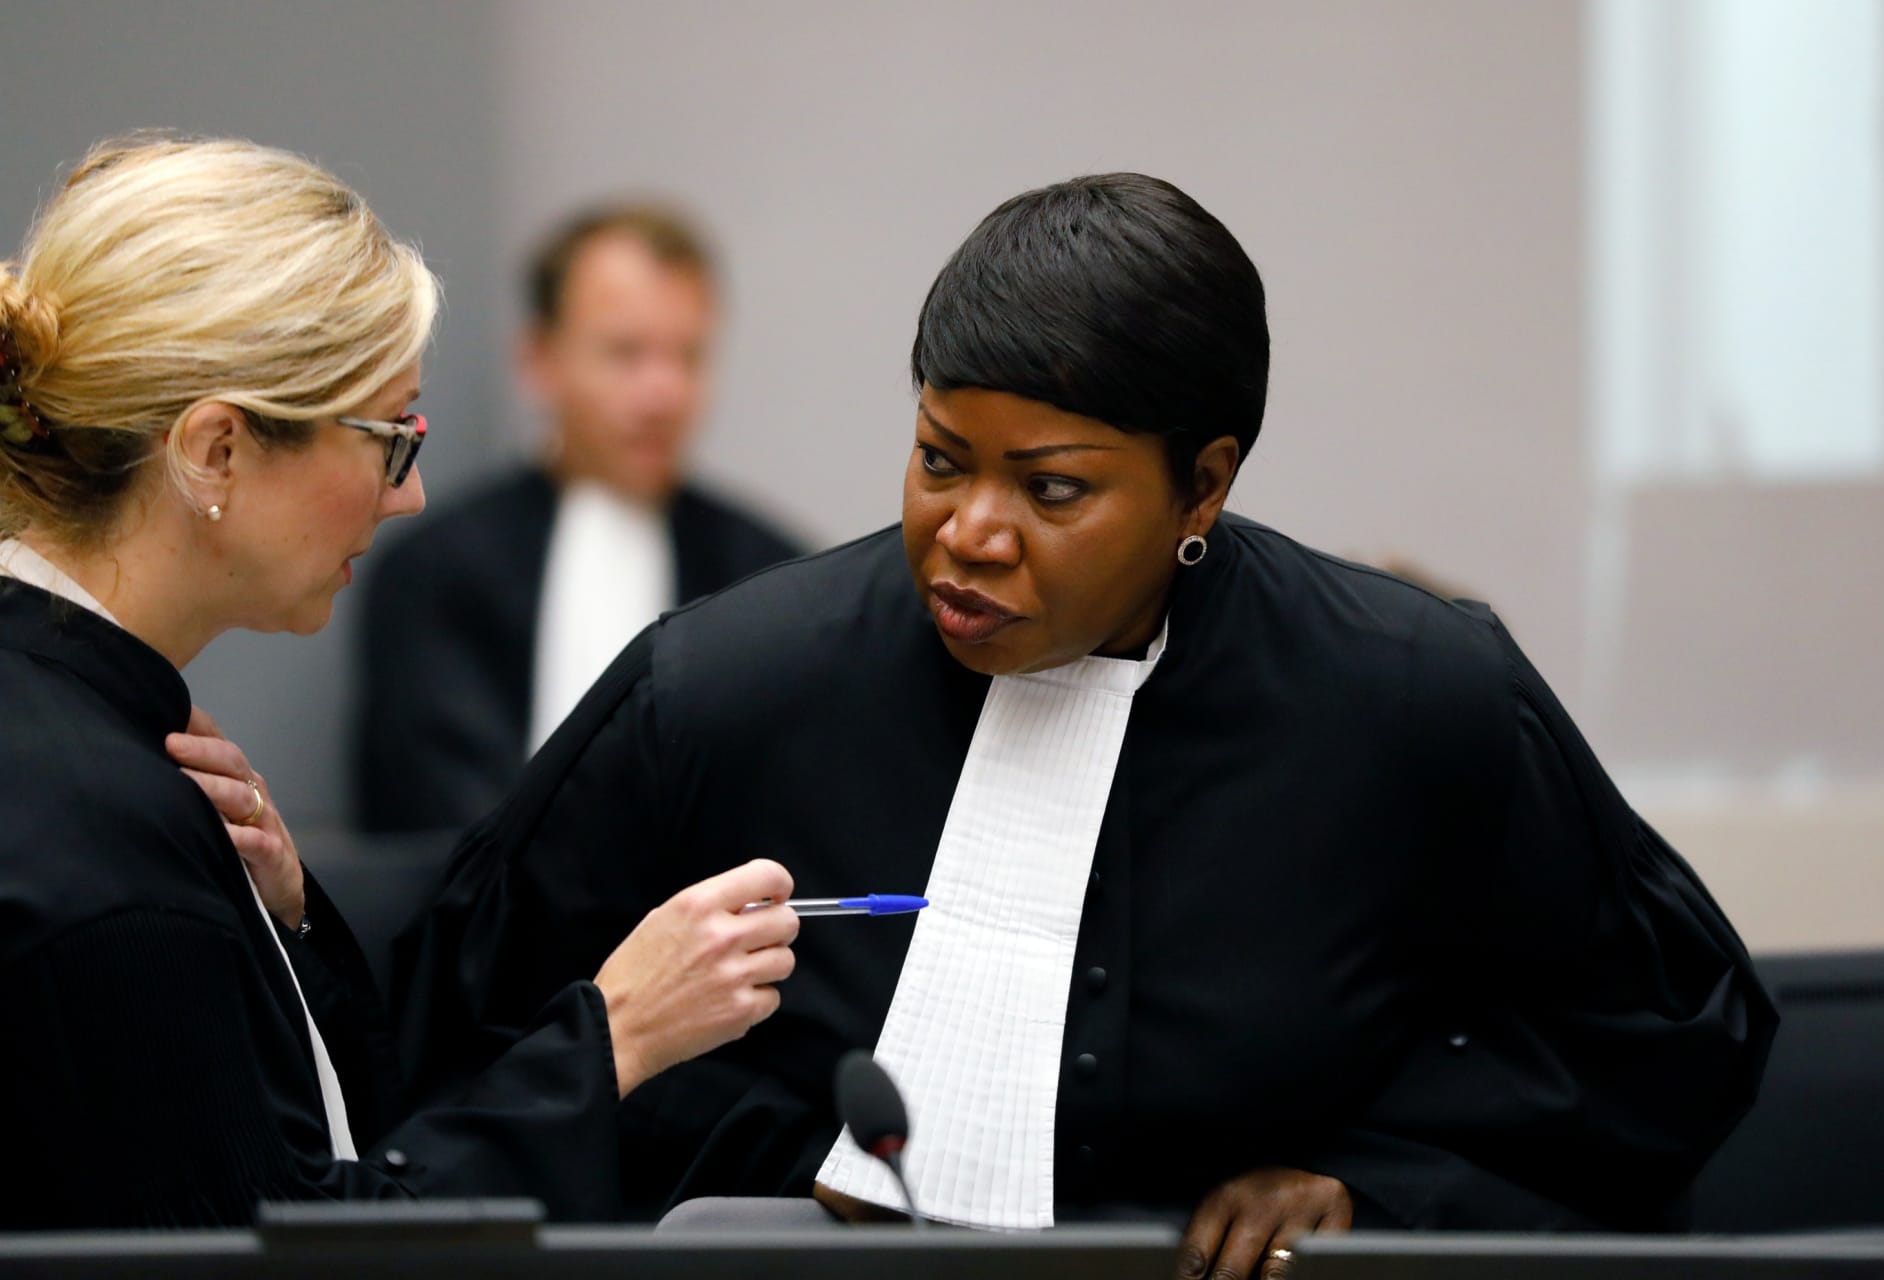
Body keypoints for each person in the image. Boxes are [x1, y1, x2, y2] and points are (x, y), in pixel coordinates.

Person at [395, 172, 1777, 1277]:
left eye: (1051, 491)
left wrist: (1382, 1185)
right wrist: (780, 1162)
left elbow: (1676, 1029)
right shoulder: (726, 687)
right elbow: (458, 1038)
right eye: (940, 460)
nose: (967, 535)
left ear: (1203, 488)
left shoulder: (1414, 696)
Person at [0, 136, 799, 1229]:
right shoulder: (97, 828)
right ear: (216, 452)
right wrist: (613, 1034)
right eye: (388, 436)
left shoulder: (96, 753)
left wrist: (280, 920)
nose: (409, 493)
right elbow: (298, 1252)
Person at [352, 203, 803, 834]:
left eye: (689, 356)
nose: (664, 393)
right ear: (540, 359)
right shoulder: (437, 573)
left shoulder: (771, 575)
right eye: (626, 353)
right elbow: (439, 817)